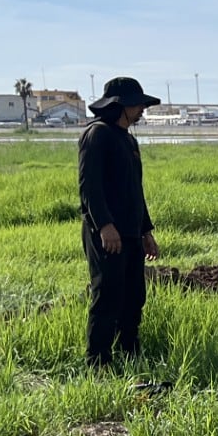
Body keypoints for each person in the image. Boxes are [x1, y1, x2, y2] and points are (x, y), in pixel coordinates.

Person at [78, 76, 160, 368]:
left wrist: (145, 231)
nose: (142, 110)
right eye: (137, 105)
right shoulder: (97, 134)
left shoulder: (128, 139)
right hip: (106, 234)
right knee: (108, 295)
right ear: (120, 105)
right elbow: (90, 187)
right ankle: (98, 361)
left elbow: (135, 190)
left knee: (134, 294)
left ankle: (129, 350)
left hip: (131, 231)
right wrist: (105, 226)